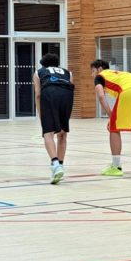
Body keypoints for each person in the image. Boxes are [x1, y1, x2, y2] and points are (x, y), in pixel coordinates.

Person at [90, 59, 131, 177]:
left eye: (93, 71)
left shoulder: (100, 76)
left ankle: (116, 167)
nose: (92, 75)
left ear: (99, 69)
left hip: (128, 91)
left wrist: (111, 117)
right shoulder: (119, 74)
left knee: (114, 128)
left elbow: (101, 96)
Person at [33, 53, 74, 184]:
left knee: (48, 132)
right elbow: (71, 89)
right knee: (62, 133)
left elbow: (38, 94)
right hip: (67, 96)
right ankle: (60, 165)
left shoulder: (39, 72)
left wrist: (41, 113)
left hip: (50, 93)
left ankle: (55, 164)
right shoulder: (68, 73)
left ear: (43, 65)